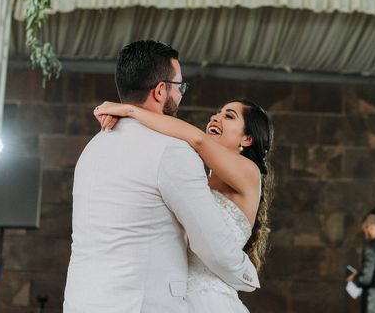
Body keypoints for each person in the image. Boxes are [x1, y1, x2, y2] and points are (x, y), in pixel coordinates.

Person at [64, 40, 260, 313]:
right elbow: (211, 242)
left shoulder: (94, 147)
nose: (181, 95)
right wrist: (246, 276)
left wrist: (131, 111)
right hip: (141, 304)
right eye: (179, 87)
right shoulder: (172, 151)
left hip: (81, 301)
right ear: (159, 91)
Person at [93, 94, 274, 313]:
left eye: (229, 116)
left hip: (211, 303)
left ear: (247, 139)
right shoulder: (198, 181)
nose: (216, 117)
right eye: (217, 113)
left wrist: (130, 111)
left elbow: (197, 139)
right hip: (170, 299)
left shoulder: (250, 174)